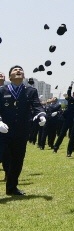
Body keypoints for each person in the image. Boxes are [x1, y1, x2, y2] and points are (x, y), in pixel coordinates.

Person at [0, 65, 46, 195]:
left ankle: (11, 188)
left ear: (24, 76)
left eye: (21, 70)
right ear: (10, 77)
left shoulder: (30, 91)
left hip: (21, 131)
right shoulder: (2, 90)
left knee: (17, 159)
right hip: (2, 131)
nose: (18, 71)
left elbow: (37, 106)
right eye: (15, 70)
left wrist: (41, 115)